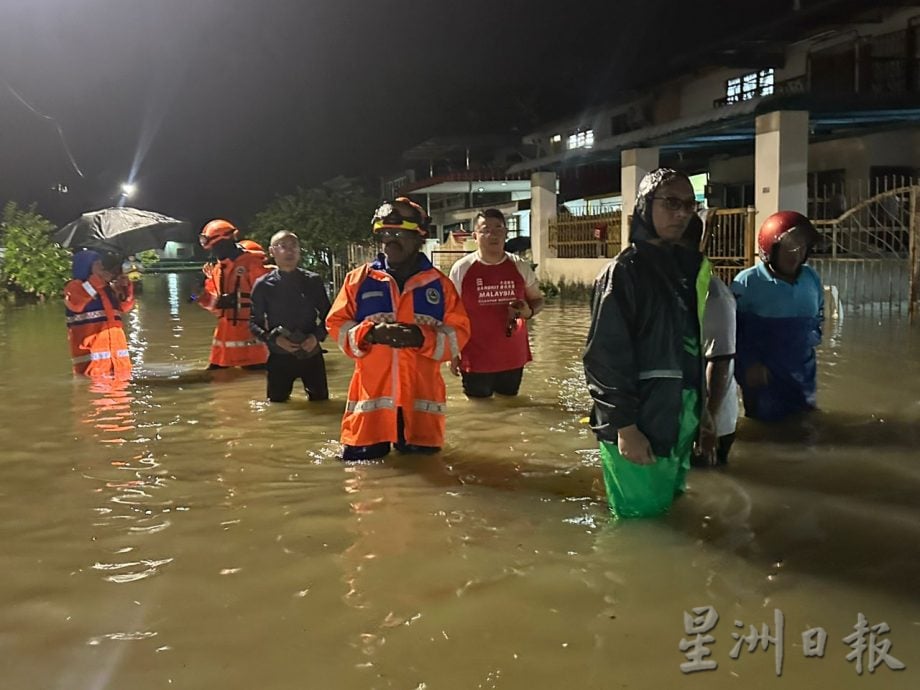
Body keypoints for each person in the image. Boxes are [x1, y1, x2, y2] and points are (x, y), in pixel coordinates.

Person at [583, 168, 712, 518]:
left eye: (689, 204)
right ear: (644, 206)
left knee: (671, 509)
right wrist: (625, 427)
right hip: (640, 421)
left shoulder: (687, 271)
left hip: (679, 415)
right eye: (671, 202)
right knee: (639, 523)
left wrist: (703, 412)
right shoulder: (623, 272)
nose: (682, 213)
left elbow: (691, 347)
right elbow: (603, 356)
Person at [326, 197, 471, 461]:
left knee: (424, 483)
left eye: (399, 233)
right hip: (370, 414)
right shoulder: (358, 280)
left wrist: (420, 337)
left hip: (420, 412)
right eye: (385, 234)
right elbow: (336, 325)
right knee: (363, 481)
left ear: (419, 238)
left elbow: (458, 336)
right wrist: (369, 333)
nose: (390, 240)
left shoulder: (440, 286)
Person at [732, 211, 823, 421]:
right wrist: (747, 364)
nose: (796, 253)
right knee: (765, 427)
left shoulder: (811, 278)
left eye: (802, 247)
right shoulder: (746, 283)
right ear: (770, 247)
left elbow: (818, 317)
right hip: (763, 377)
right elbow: (731, 332)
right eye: (790, 246)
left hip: (803, 374)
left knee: (804, 424)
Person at [448, 208, 544, 397]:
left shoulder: (519, 265)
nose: (493, 234)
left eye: (499, 228)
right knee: (480, 414)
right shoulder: (462, 269)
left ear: (506, 233)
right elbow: (450, 313)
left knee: (510, 409)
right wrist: (452, 353)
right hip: (475, 358)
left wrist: (529, 312)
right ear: (475, 236)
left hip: (513, 357)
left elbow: (538, 300)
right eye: (485, 230)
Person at [249, 230, 331, 403]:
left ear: (299, 250)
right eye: (283, 247)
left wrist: (315, 338)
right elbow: (253, 323)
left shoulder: (313, 281)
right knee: (277, 405)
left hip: (311, 354)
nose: (289, 251)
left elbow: (329, 317)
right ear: (272, 252)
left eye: (294, 246)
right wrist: (274, 340)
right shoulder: (263, 285)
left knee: (322, 404)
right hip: (280, 356)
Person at [684, 216, 738, 467]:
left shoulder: (714, 295)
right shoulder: (677, 287)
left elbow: (719, 362)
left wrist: (707, 421)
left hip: (711, 423)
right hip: (686, 417)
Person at [196, 219, 271, 369]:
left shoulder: (252, 264)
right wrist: (196, 294)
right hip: (225, 341)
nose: (213, 252)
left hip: (252, 344)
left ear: (227, 241)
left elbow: (271, 299)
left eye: (215, 247)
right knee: (217, 377)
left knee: (253, 381)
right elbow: (214, 306)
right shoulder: (218, 270)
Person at [64, 249, 135, 379]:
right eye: (98, 265)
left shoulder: (108, 289)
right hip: (92, 368)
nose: (103, 268)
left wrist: (124, 287)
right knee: (97, 398)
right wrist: (99, 280)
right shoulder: (74, 287)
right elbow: (76, 302)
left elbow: (125, 307)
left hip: (119, 366)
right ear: (87, 266)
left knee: (121, 398)